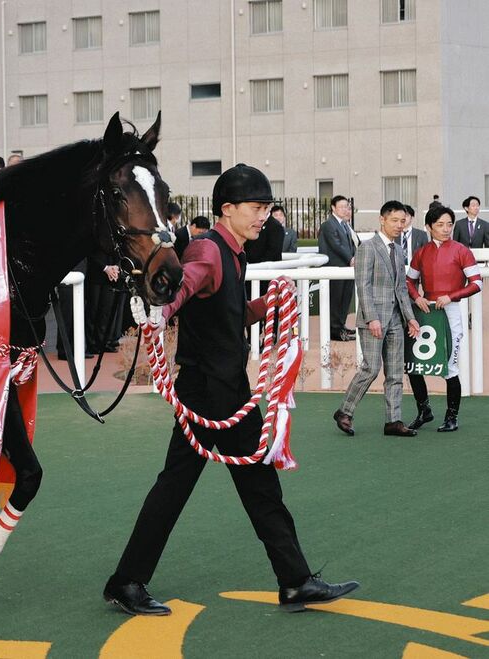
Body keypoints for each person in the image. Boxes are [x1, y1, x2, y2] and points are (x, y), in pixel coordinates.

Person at [104, 164, 359, 616]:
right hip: (211, 392)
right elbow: (188, 283)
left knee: (227, 486)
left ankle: (293, 580)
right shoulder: (208, 248)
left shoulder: (233, 252)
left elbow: (225, 313)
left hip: (221, 388)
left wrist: (265, 302)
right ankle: (293, 581)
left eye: (266, 208)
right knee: (220, 487)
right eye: (256, 208)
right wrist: (163, 307)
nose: (264, 216)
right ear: (228, 209)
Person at [333, 200, 420, 438]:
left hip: (396, 320)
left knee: (395, 373)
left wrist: (410, 318)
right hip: (374, 319)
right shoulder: (367, 247)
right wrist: (371, 318)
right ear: (382, 220)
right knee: (371, 368)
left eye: (403, 221)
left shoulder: (400, 249)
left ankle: (393, 421)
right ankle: (344, 411)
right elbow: (363, 285)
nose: (399, 225)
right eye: (394, 220)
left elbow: (401, 288)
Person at [405, 205, 483, 432]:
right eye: (440, 224)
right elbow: (409, 281)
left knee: (450, 366)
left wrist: (451, 296)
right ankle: (424, 410)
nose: (446, 229)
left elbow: (477, 283)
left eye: (449, 224)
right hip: (425, 312)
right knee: (414, 365)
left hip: (450, 312)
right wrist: (417, 296)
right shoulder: (421, 252)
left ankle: (452, 417)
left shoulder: (461, 250)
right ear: (429, 227)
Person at [318, 195, 358, 341]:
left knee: (345, 299)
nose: (345, 209)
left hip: (347, 269)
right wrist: (350, 259)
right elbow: (336, 245)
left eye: (347, 206)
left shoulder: (345, 225)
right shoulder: (329, 224)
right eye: (341, 207)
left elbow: (352, 244)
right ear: (333, 208)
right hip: (335, 268)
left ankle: (341, 326)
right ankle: (334, 330)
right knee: (335, 300)